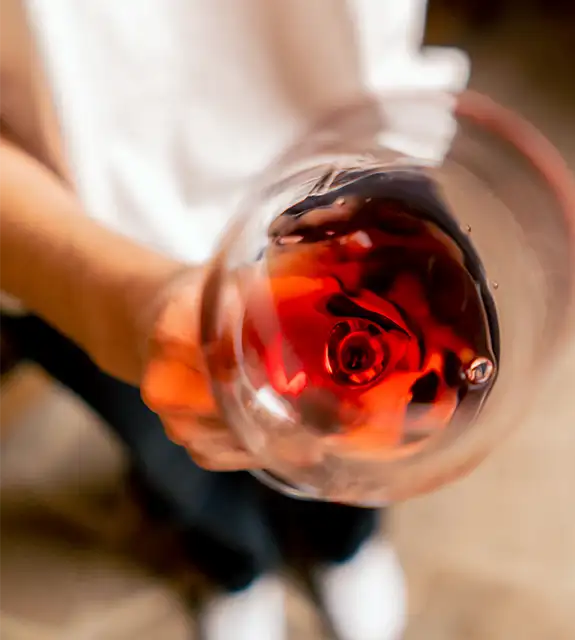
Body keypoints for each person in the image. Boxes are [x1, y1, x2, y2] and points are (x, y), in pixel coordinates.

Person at [0, 1, 470, 638]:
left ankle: (344, 545)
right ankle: (236, 567)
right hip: (89, 226)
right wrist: (116, 293)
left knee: (363, 436)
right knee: (175, 463)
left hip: (349, 177)